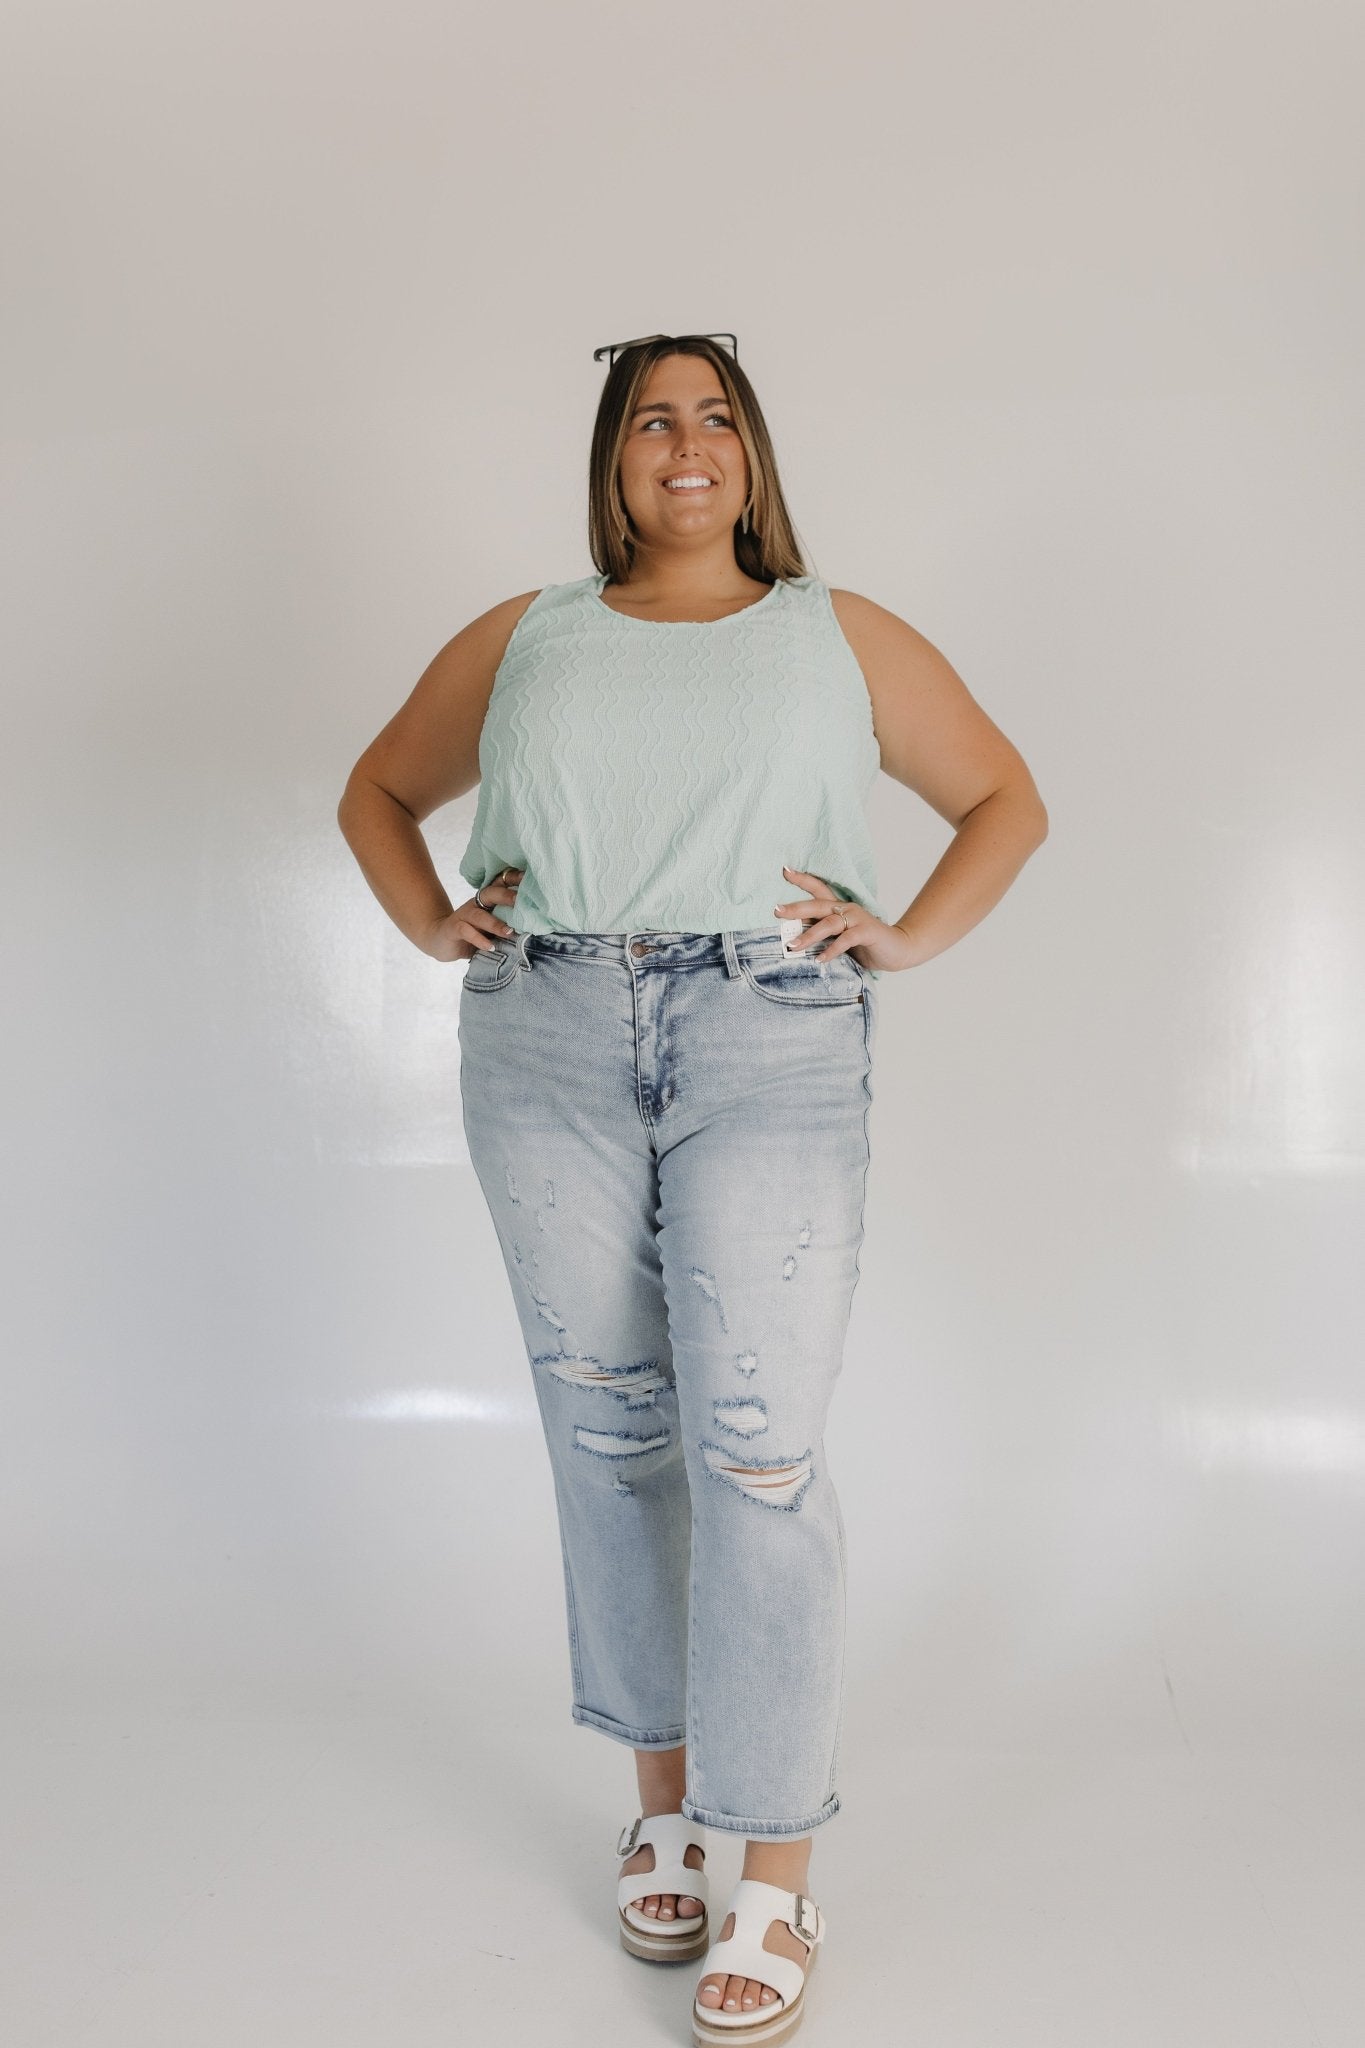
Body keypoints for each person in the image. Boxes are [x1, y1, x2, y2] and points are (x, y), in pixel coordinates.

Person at [336, 331, 1048, 2044]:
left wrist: (902, 935)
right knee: (607, 1431)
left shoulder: (833, 630)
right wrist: (431, 921)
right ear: (611, 455)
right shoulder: (526, 633)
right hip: (546, 1027)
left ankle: (774, 1871)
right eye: (651, 416)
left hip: (767, 1030)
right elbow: (377, 792)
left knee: (759, 1449)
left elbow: (1003, 801)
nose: (685, 441)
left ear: (751, 454)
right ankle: (660, 1809)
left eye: (714, 415)